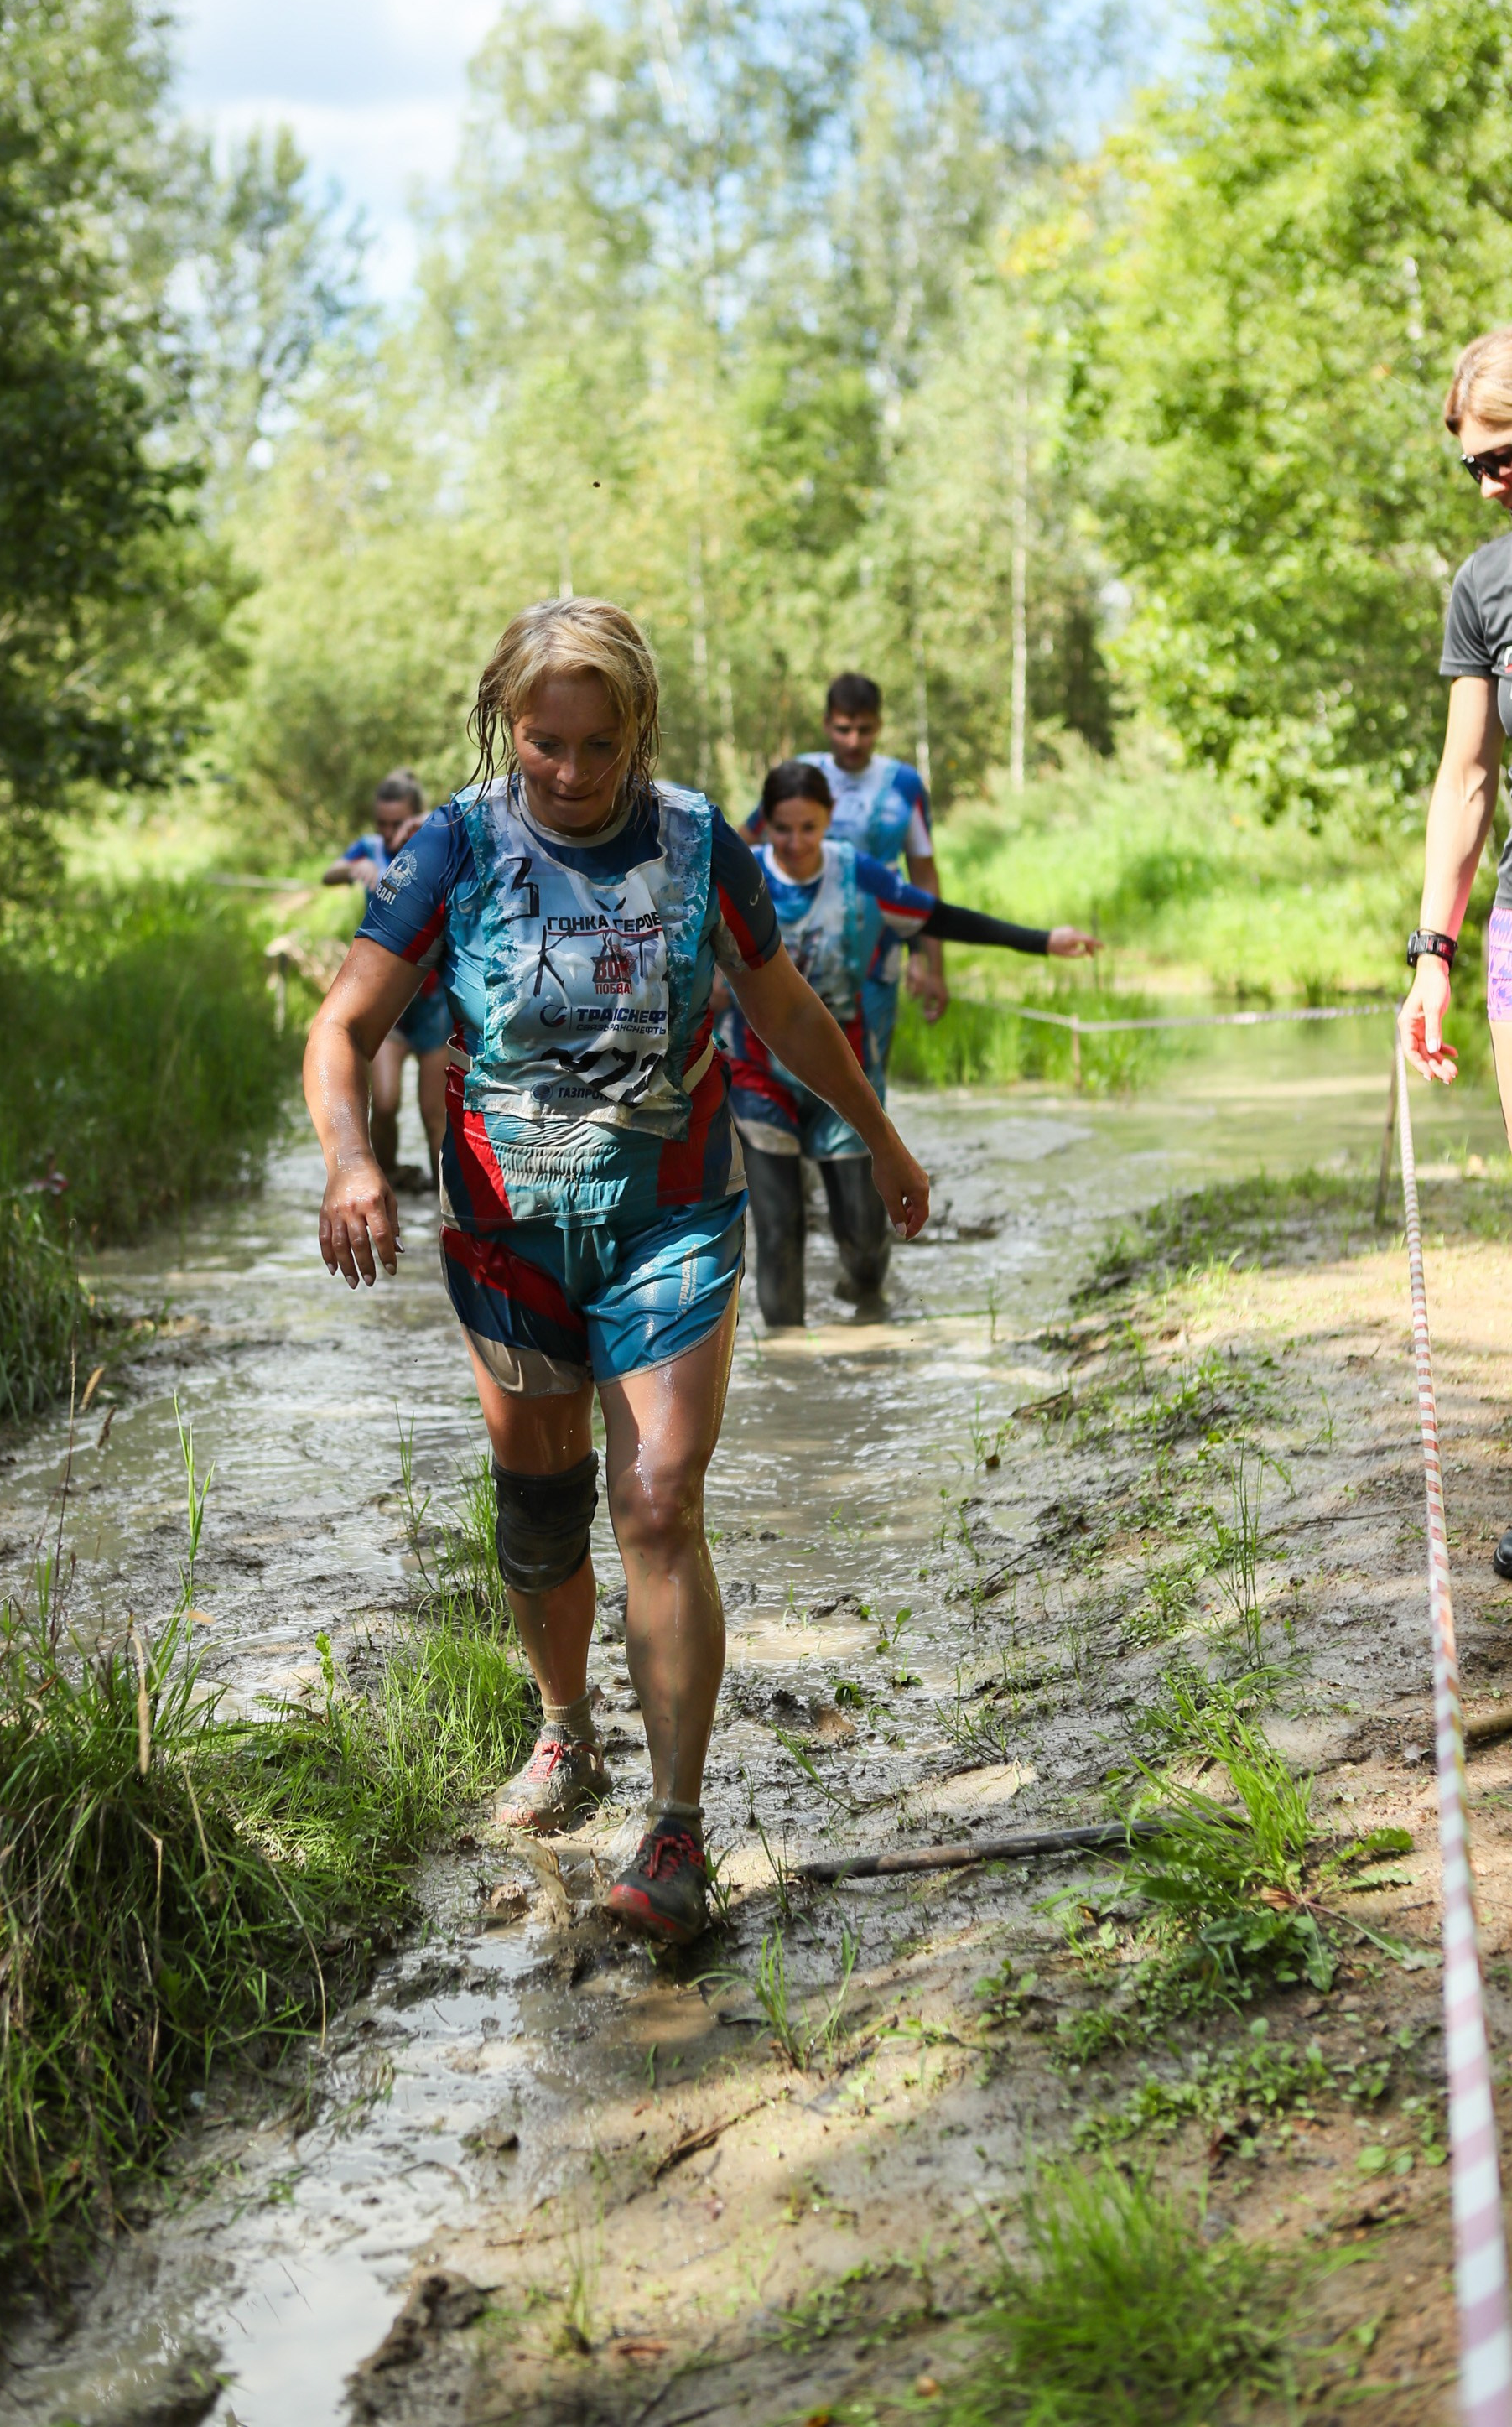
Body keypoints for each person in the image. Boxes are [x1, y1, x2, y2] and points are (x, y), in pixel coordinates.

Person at [302, 600, 932, 1944]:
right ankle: (566, 1728)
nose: (574, 775)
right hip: (504, 1229)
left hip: (671, 1216)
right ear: (507, 730)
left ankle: (679, 1829)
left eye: (601, 745)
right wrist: (357, 1164)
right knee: (541, 1510)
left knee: (655, 1500)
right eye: (546, 746)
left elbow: (782, 1006)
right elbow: (345, 1022)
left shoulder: (703, 841)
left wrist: (877, 1137)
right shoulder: (457, 844)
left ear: (641, 725)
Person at [728, 760, 1100, 1326]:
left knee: (864, 1238)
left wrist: (1043, 941)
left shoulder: (860, 876)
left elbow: (940, 916)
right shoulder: (737, 878)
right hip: (758, 1074)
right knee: (778, 1231)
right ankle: (791, 1370)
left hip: (842, 1072)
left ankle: (869, 1313)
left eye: (809, 827)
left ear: (830, 820)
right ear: (765, 825)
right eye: (782, 828)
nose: (796, 842)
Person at [1405, 321, 1512, 1582]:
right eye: (1474, 466)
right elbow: (1466, 777)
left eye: (1511, 452)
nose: (1493, 480)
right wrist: (1431, 953)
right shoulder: (1487, 586)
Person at [744, 671, 948, 1043]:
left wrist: (934, 966)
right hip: (795, 947)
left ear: (880, 726)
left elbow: (924, 877)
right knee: (785, 1061)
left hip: (876, 952)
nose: (854, 741)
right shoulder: (802, 774)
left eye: (865, 730)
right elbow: (743, 847)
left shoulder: (903, 785)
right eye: (843, 729)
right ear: (826, 724)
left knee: (865, 1065)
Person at [323, 770, 451, 1188]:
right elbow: (330, 873)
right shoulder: (371, 849)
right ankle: (388, 1180)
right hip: (388, 1003)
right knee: (387, 1102)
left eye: (399, 822)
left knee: (437, 1113)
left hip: (433, 1003)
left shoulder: (437, 845)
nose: (388, 831)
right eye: (382, 822)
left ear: (415, 817)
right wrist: (355, 868)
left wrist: (426, 823)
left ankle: (445, 1204)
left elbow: (463, 822)